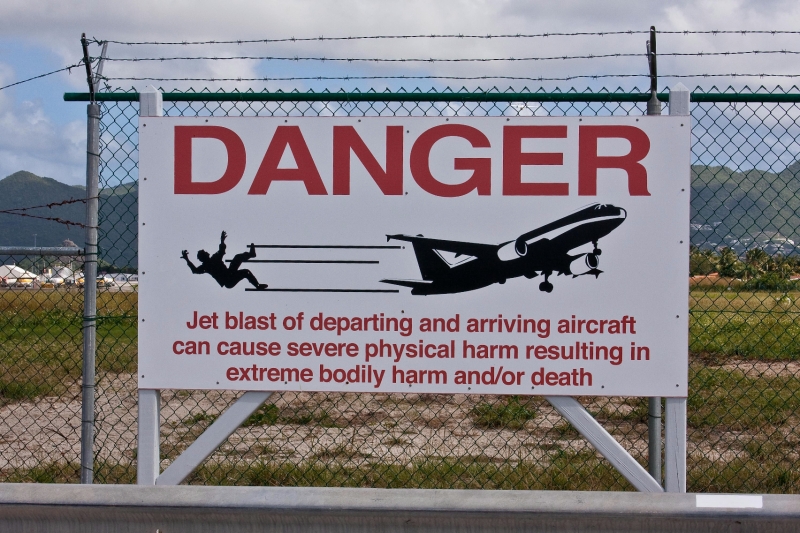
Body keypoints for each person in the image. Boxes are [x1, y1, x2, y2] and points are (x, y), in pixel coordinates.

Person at [181, 231, 267, 289]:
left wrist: (187, 259)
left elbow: (221, 250)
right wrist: (187, 259)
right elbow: (195, 270)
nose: (207, 252)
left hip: (229, 273)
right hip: (228, 281)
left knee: (237, 258)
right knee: (245, 272)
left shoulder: (209, 262)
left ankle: (251, 255)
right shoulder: (208, 264)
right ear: (204, 256)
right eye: (205, 252)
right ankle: (257, 285)